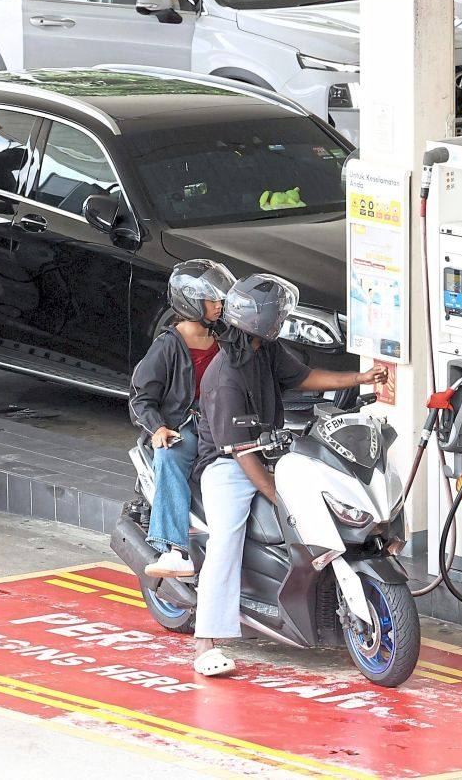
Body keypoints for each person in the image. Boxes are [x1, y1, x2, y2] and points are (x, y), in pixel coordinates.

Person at [190, 274, 388, 677]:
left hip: (270, 450)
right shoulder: (226, 377)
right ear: (261, 320)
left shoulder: (265, 349)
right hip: (228, 464)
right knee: (227, 537)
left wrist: (359, 378)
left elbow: (304, 378)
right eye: (277, 313)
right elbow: (243, 456)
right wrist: (279, 496)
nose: (283, 318)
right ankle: (205, 642)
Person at [129, 259, 234, 578]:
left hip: (224, 424)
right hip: (188, 426)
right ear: (191, 302)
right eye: (212, 299)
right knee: (171, 457)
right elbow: (140, 396)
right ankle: (176, 550)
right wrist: (158, 428)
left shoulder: (226, 339)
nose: (219, 306)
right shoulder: (167, 346)